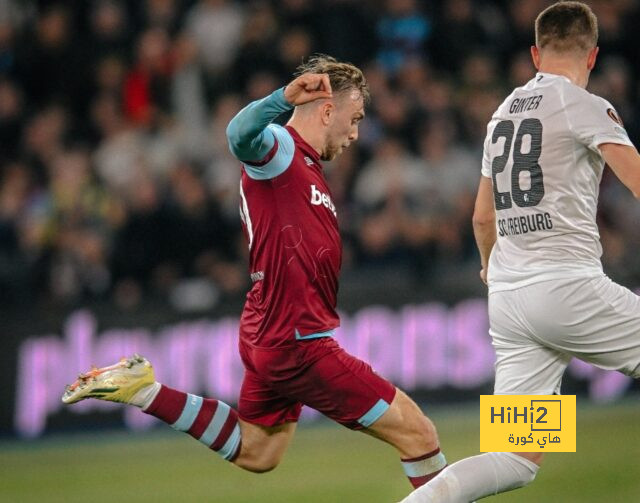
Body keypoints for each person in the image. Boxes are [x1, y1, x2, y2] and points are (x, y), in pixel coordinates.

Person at [61, 54, 448, 489]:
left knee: (259, 451)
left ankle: (143, 389)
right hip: (299, 341)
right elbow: (238, 135)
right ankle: (532, 440)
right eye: (354, 118)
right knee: (420, 434)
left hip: (269, 330)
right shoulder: (281, 151)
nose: (356, 133)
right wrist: (282, 98)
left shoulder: (307, 168)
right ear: (326, 110)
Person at [399, 2, 640, 501]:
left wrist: (489, 267)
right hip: (567, 286)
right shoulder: (584, 104)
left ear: (534, 53)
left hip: (509, 300)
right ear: (592, 56)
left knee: (516, 459)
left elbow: (481, 217)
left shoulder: (502, 112)